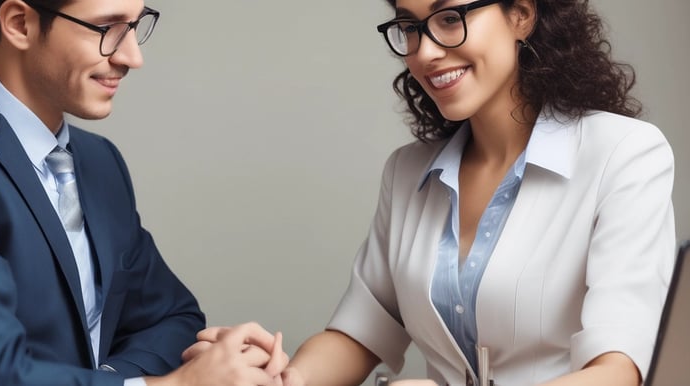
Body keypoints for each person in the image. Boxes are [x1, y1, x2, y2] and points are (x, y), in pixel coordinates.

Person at [191, 0, 676, 385]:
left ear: (522, 15)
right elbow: (359, 333)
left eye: (450, 18)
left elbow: (618, 371)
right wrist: (280, 378)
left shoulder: (625, 155)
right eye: (410, 27)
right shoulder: (407, 173)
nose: (424, 51)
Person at [0, 0, 286, 385]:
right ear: (19, 24)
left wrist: (119, 378)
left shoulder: (99, 160)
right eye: (106, 28)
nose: (133, 56)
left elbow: (174, 317)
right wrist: (176, 384)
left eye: (135, 25)